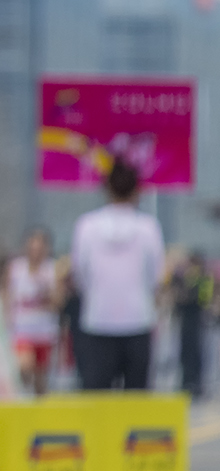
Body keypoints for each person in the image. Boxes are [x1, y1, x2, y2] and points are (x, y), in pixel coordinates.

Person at [68, 159, 163, 391]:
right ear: (137, 191)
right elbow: (156, 276)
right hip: (138, 318)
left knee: (98, 398)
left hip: (97, 318)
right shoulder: (148, 227)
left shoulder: (87, 226)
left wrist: (94, 293)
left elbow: (80, 273)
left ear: (107, 189)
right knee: (136, 399)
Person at [6, 228, 61, 397]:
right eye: (32, 248)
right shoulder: (16, 268)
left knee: (40, 379)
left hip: (45, 331)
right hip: (23, 329)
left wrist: (47, 292)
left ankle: (38, 405)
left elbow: (58, 302)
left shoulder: (52, 269)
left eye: (40, 248)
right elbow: (7, 295)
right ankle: (24, 392)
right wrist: (8, 319)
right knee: (25, 366)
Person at [170, 250, 209, 401]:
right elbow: (178, 298)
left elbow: (201, 299)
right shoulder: (186, 278)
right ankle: (186, 382)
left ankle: (196, 384)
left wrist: (186, 295)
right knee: (185, 352)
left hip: (197, 321)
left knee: (196, 353)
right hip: (185, 322)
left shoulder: (203, 279)